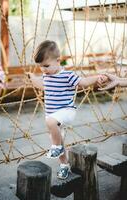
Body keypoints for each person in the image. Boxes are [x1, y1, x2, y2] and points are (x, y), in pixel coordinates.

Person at [28, 40, 107, 179]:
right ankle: (64, 165)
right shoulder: (47, 75)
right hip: (54, 116)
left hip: (66, 111)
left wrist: (97, 77)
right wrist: (32, 77)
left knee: (51, 125)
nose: (43, 70)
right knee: (58, 138)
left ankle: (56, 147)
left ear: (58, 61)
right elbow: (42, 85)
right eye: (40, 67)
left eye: (46, 65)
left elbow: (83, 82)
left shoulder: (67, 76)